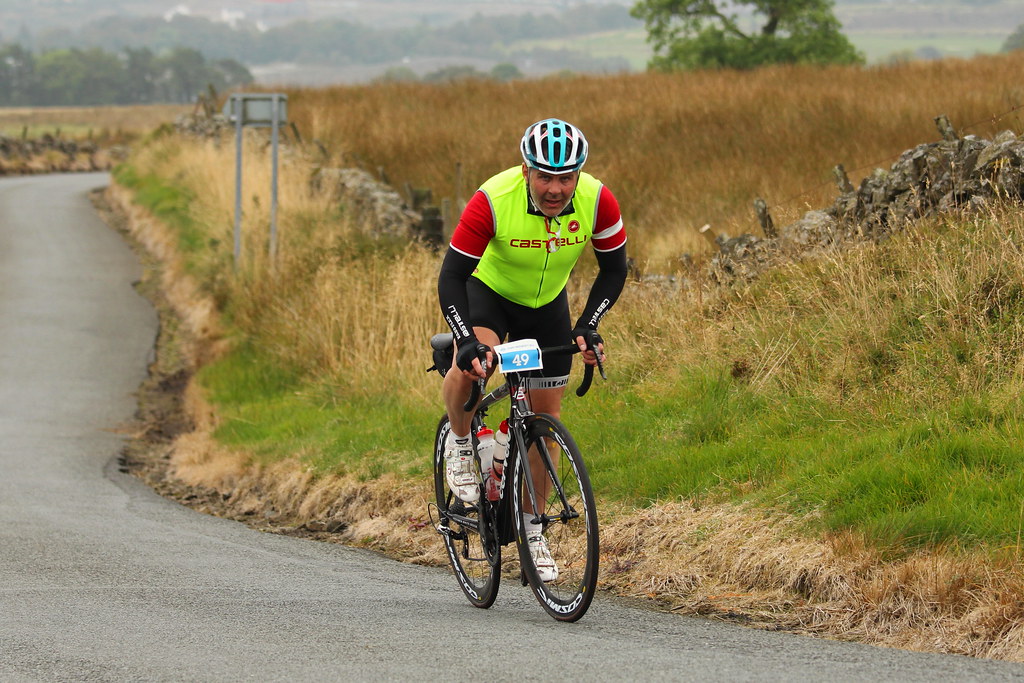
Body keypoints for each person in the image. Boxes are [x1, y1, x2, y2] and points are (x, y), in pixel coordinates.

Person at [436, 118, 628, 582]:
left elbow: (615, 269)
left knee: (546, 422)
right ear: (526, 170)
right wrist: (464, 340)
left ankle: (532, 527)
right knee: (476, 365)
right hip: (491, 297)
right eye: (546, 176)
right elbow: (452, 277)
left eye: (567, 177)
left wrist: (589, 325)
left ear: (579, 174)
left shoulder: (598, 201)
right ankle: (461, 444)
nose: (557, 189)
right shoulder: (492, 200)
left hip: (547, 307)